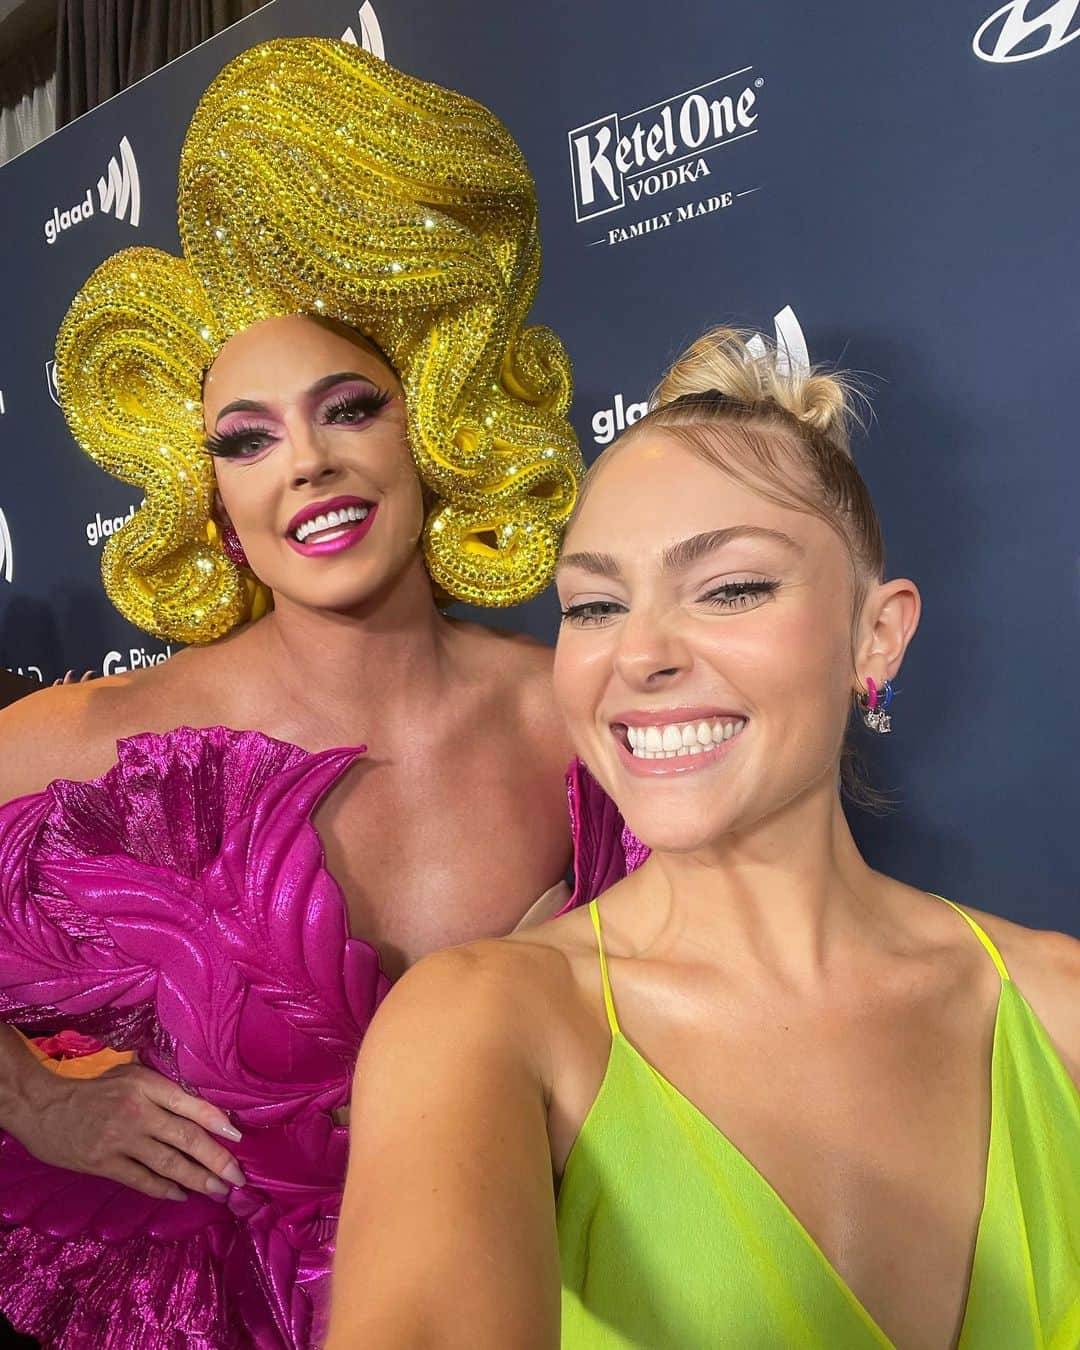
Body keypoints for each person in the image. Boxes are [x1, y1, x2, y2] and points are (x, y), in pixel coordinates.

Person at [0, 37, 594, 1348]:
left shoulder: (576, 709)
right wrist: (38, 1100)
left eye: (350, 408)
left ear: (431, 429)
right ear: (212, 503)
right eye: (247, 438)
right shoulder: (123, 735)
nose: (307, 465)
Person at [328, 327, 1080, 1349]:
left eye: (731, 588)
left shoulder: (1059, 1006)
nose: (637, 655)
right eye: (594, 605)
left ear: (878, 634)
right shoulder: (482, 1029)